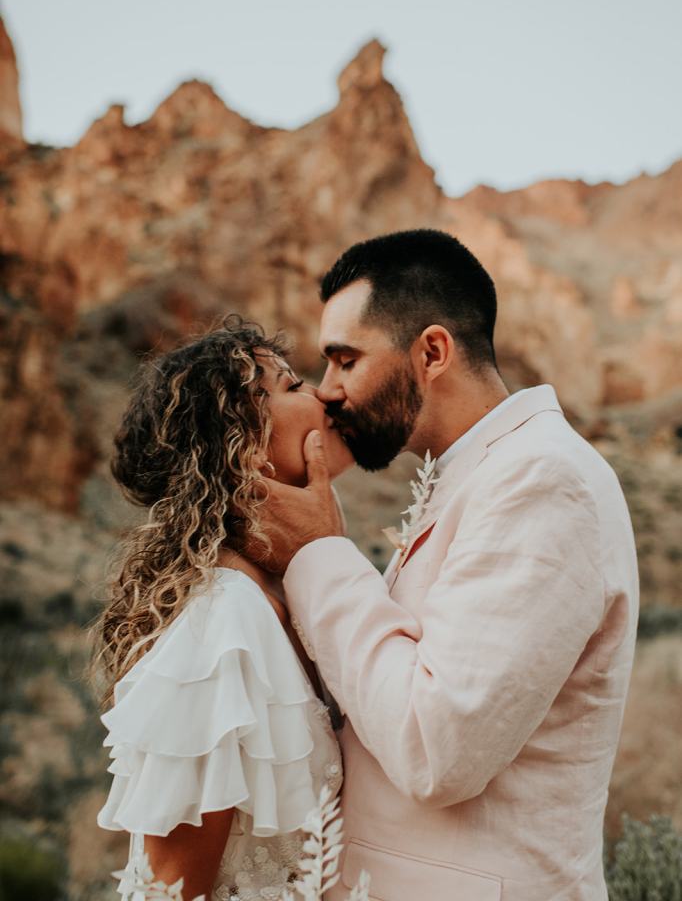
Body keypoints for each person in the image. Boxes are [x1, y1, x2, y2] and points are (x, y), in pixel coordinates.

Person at [260, 229, 639, 901]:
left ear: (432, 351)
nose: (328, 392)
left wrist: (320, 553)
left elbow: (436, 750)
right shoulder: (480, 472)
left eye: (345, 360)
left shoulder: (545, 480)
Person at [92, 317, 350, 901]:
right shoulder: (223, 626)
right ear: (244, 446)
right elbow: (171, 891)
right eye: (292, 386)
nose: (322, 395)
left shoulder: (284, 592)